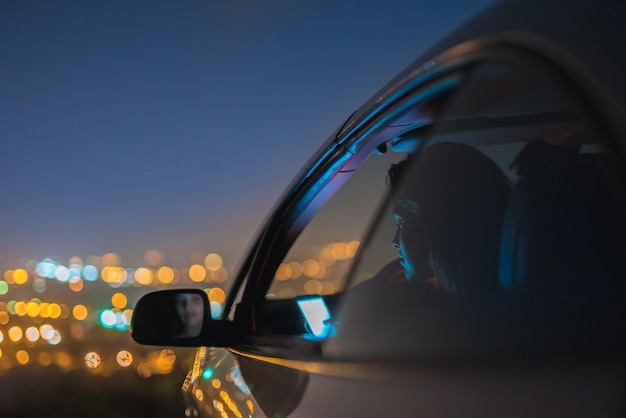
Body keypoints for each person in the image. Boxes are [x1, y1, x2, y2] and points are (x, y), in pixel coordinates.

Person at [387, 142, 511, 295]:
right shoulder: (497, 297)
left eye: (401, 221)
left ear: (436, 224)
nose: (394, 242)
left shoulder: (470, 313)